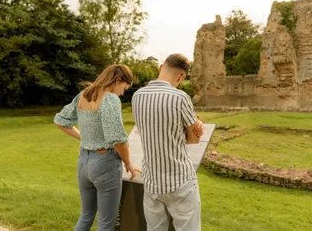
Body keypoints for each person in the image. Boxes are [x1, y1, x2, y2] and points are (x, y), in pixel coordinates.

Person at [54, 64, 140, 231]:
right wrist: (128, 163)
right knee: (106, 223)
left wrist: (84, 138)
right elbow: (117, 139)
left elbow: (60, 121)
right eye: (124, 88)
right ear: (118, 80)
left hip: (83, 164)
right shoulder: (110, 98)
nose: (122, 93)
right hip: (105, 164)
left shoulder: (83, 95)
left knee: (86, 215)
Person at [132, 53, 204, 231]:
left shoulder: (137, 96)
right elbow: (194, 139)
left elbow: (145, 130)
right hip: (180, 180)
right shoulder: (180, 98)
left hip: (151, 181)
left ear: (161, 67)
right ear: (181, 76)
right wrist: (198, 124)